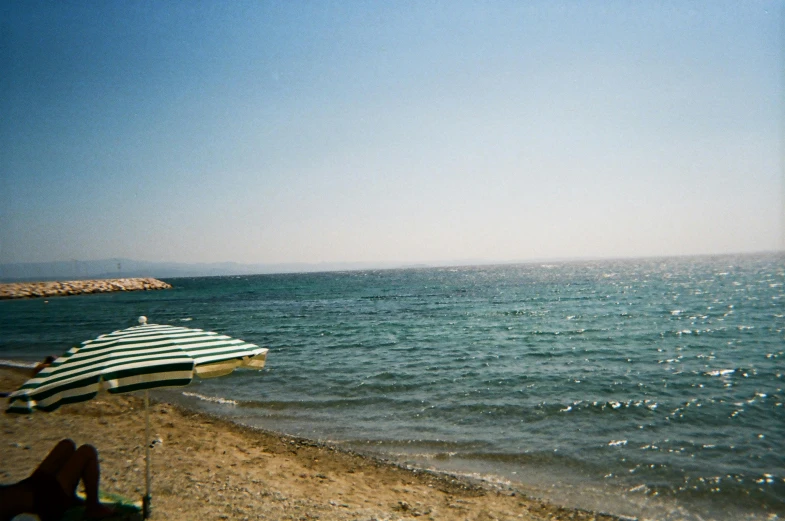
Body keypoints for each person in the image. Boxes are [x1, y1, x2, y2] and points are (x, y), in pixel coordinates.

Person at [0, 439, 115, 521]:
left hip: (29, 487)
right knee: (87, 452)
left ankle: (71, 497)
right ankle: (93, 507)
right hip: (43, 503)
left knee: (66, 445)